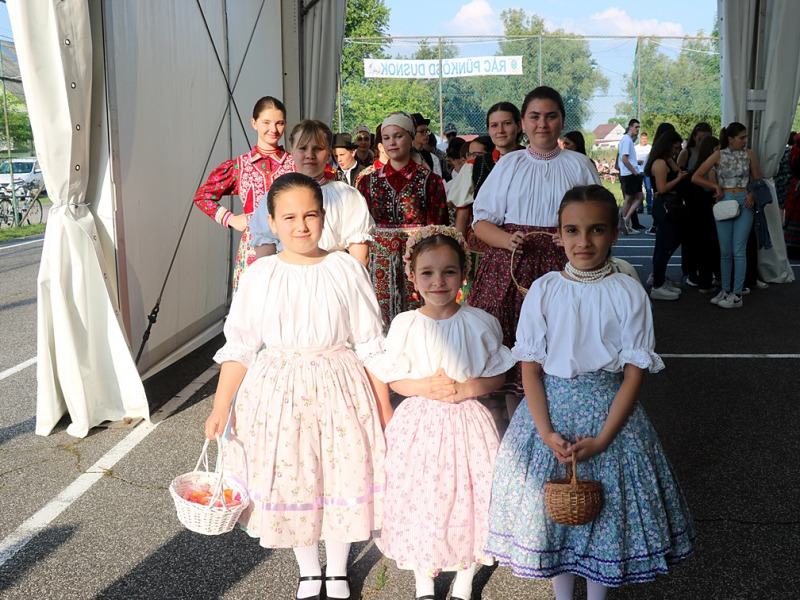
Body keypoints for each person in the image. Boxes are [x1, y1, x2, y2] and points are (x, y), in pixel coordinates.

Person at [485, 184, 695, 600]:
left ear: (615, 234)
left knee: (605, 513)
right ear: (558, 235)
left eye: (597, 230)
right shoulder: (544, 289)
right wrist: (545, 433)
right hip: (548, 414)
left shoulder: (627, 290)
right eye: (573, 231)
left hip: (609, 417)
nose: (584, 242)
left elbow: (634, 374)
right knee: (555, 513)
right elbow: (530, 369)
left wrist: (603, 439)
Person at [204, 172, 392, 600]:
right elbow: (241, 347)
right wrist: (220, 406)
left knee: (342, 473)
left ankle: (339, 568)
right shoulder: (260, 274)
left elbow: (370, 344)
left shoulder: (346, 267)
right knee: (294, 476)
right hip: (278, 392)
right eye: (288, 217)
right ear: (271, 221)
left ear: (324, 217)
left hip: (339, 387)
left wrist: (385, 408)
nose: (301, 226)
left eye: (310, 215)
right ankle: (309, 569)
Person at [371, 226, 514, 600]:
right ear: (413, 277)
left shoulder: (479, 322)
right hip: (419, 423)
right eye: (428, 273)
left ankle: (465, 580)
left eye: (449, 272)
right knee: (421, 496)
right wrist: (420, 387)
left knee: (471, 496)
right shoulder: (405, 324)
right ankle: (424, 579)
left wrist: (469, 388)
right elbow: (395, 377)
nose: (438, 282)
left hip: (468, 421)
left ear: (463, 275)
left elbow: (498, 371)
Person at [468, 87, 600, 419]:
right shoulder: (510, 164)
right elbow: (481, 222)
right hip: (512, 271)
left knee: (560, 350)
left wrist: (571, 237)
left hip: (565, 272)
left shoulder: (580, 165)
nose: (543, 124)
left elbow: (599, 222)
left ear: (562, 121)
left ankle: (557, 424)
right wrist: (505, 240)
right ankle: (518, 433)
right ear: (524, 123)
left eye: (550, 116)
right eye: (535, 117)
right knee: (515, 356)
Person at [357, 111, 449, 325]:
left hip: (419, 259)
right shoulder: (367, 182)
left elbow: (439, 229)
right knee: (380, 318)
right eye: (386, 138)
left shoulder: (430, 181)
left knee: (423, 318)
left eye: (398, 136)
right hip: (380, 263)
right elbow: (360, 227)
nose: (392, 143)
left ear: (410, 137)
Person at [193, 96, 294, 290]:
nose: (273, 130)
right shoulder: (240, 166)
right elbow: (203, 196)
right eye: (266, 123)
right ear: (253, 123)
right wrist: (231, 219)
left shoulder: (293, 163)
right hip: (252, 251)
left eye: (279, 123)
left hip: (288, 246)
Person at [249, 120, 374, 267]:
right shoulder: (277, 195)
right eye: (303, 148)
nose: (310, 155)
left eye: (317, 149)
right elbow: (265, 255)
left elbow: (360, 259)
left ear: (329, 154)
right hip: (289, 279)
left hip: (333, 278)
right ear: (292, 152)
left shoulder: (347, 195)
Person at [692, 122, 763, 308]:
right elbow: (696, 176)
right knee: (725, 251)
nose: (745, 141)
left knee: (738, 250)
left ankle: (737, 294)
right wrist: (715, 186)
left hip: (745, 201)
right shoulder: (718, 155)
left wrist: (752, 193)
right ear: (730, 139)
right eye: (742, 137)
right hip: (724, 202)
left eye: (745, 137)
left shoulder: (750, 154)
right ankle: (725, 290)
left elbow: (758, 179)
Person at [644, 130, 689, 300]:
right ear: (667, 146)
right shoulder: (660, 163)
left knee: (665, 244)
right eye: (675, 148)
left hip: (668, 205)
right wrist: (678, 179)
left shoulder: (666, 160)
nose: (677, 152)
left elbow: (678, 171)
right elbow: (662, 188)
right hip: (665, 206)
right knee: (663, 247)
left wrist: (675, 165)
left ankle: (659, 279)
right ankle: (657, 285)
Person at [685, 135, 721, 292]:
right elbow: (711, 186)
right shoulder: (710, 168)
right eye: (717, 149)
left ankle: (701, 278)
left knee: (702, 247)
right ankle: (707, 281)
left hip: (696, 213)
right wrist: (717, 187)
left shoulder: (697, 165)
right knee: (711, 247)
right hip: (708, 210)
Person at [617, 119, 644, 235]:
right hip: (630, 175)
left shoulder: (627, 140)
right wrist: (634, 172)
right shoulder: (627, 140)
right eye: (636, 127)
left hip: (630, 173)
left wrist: (636, 162)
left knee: (639, 197)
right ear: (630, 127)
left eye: (639, 127)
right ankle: (624, 221)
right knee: (629, 199)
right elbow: (624, 159)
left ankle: (626, 220)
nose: (638, 129)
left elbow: (626, 159)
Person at [410, 113, 442, 177]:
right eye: (422, 132)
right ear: (412, 133)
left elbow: (438, 182)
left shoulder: (433, 159)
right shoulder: (404, 157)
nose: (427, 134)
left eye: (427, 131)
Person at [635, 132, 653, 213]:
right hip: (638, 170)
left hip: (647, 170)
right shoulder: (636, 148)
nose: (644, 140)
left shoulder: (650, 147)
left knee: (648, 189)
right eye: (643, 139)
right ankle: (640, 206)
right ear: (640, 139)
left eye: (645, 139)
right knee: (639, 189)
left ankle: (649, 205)